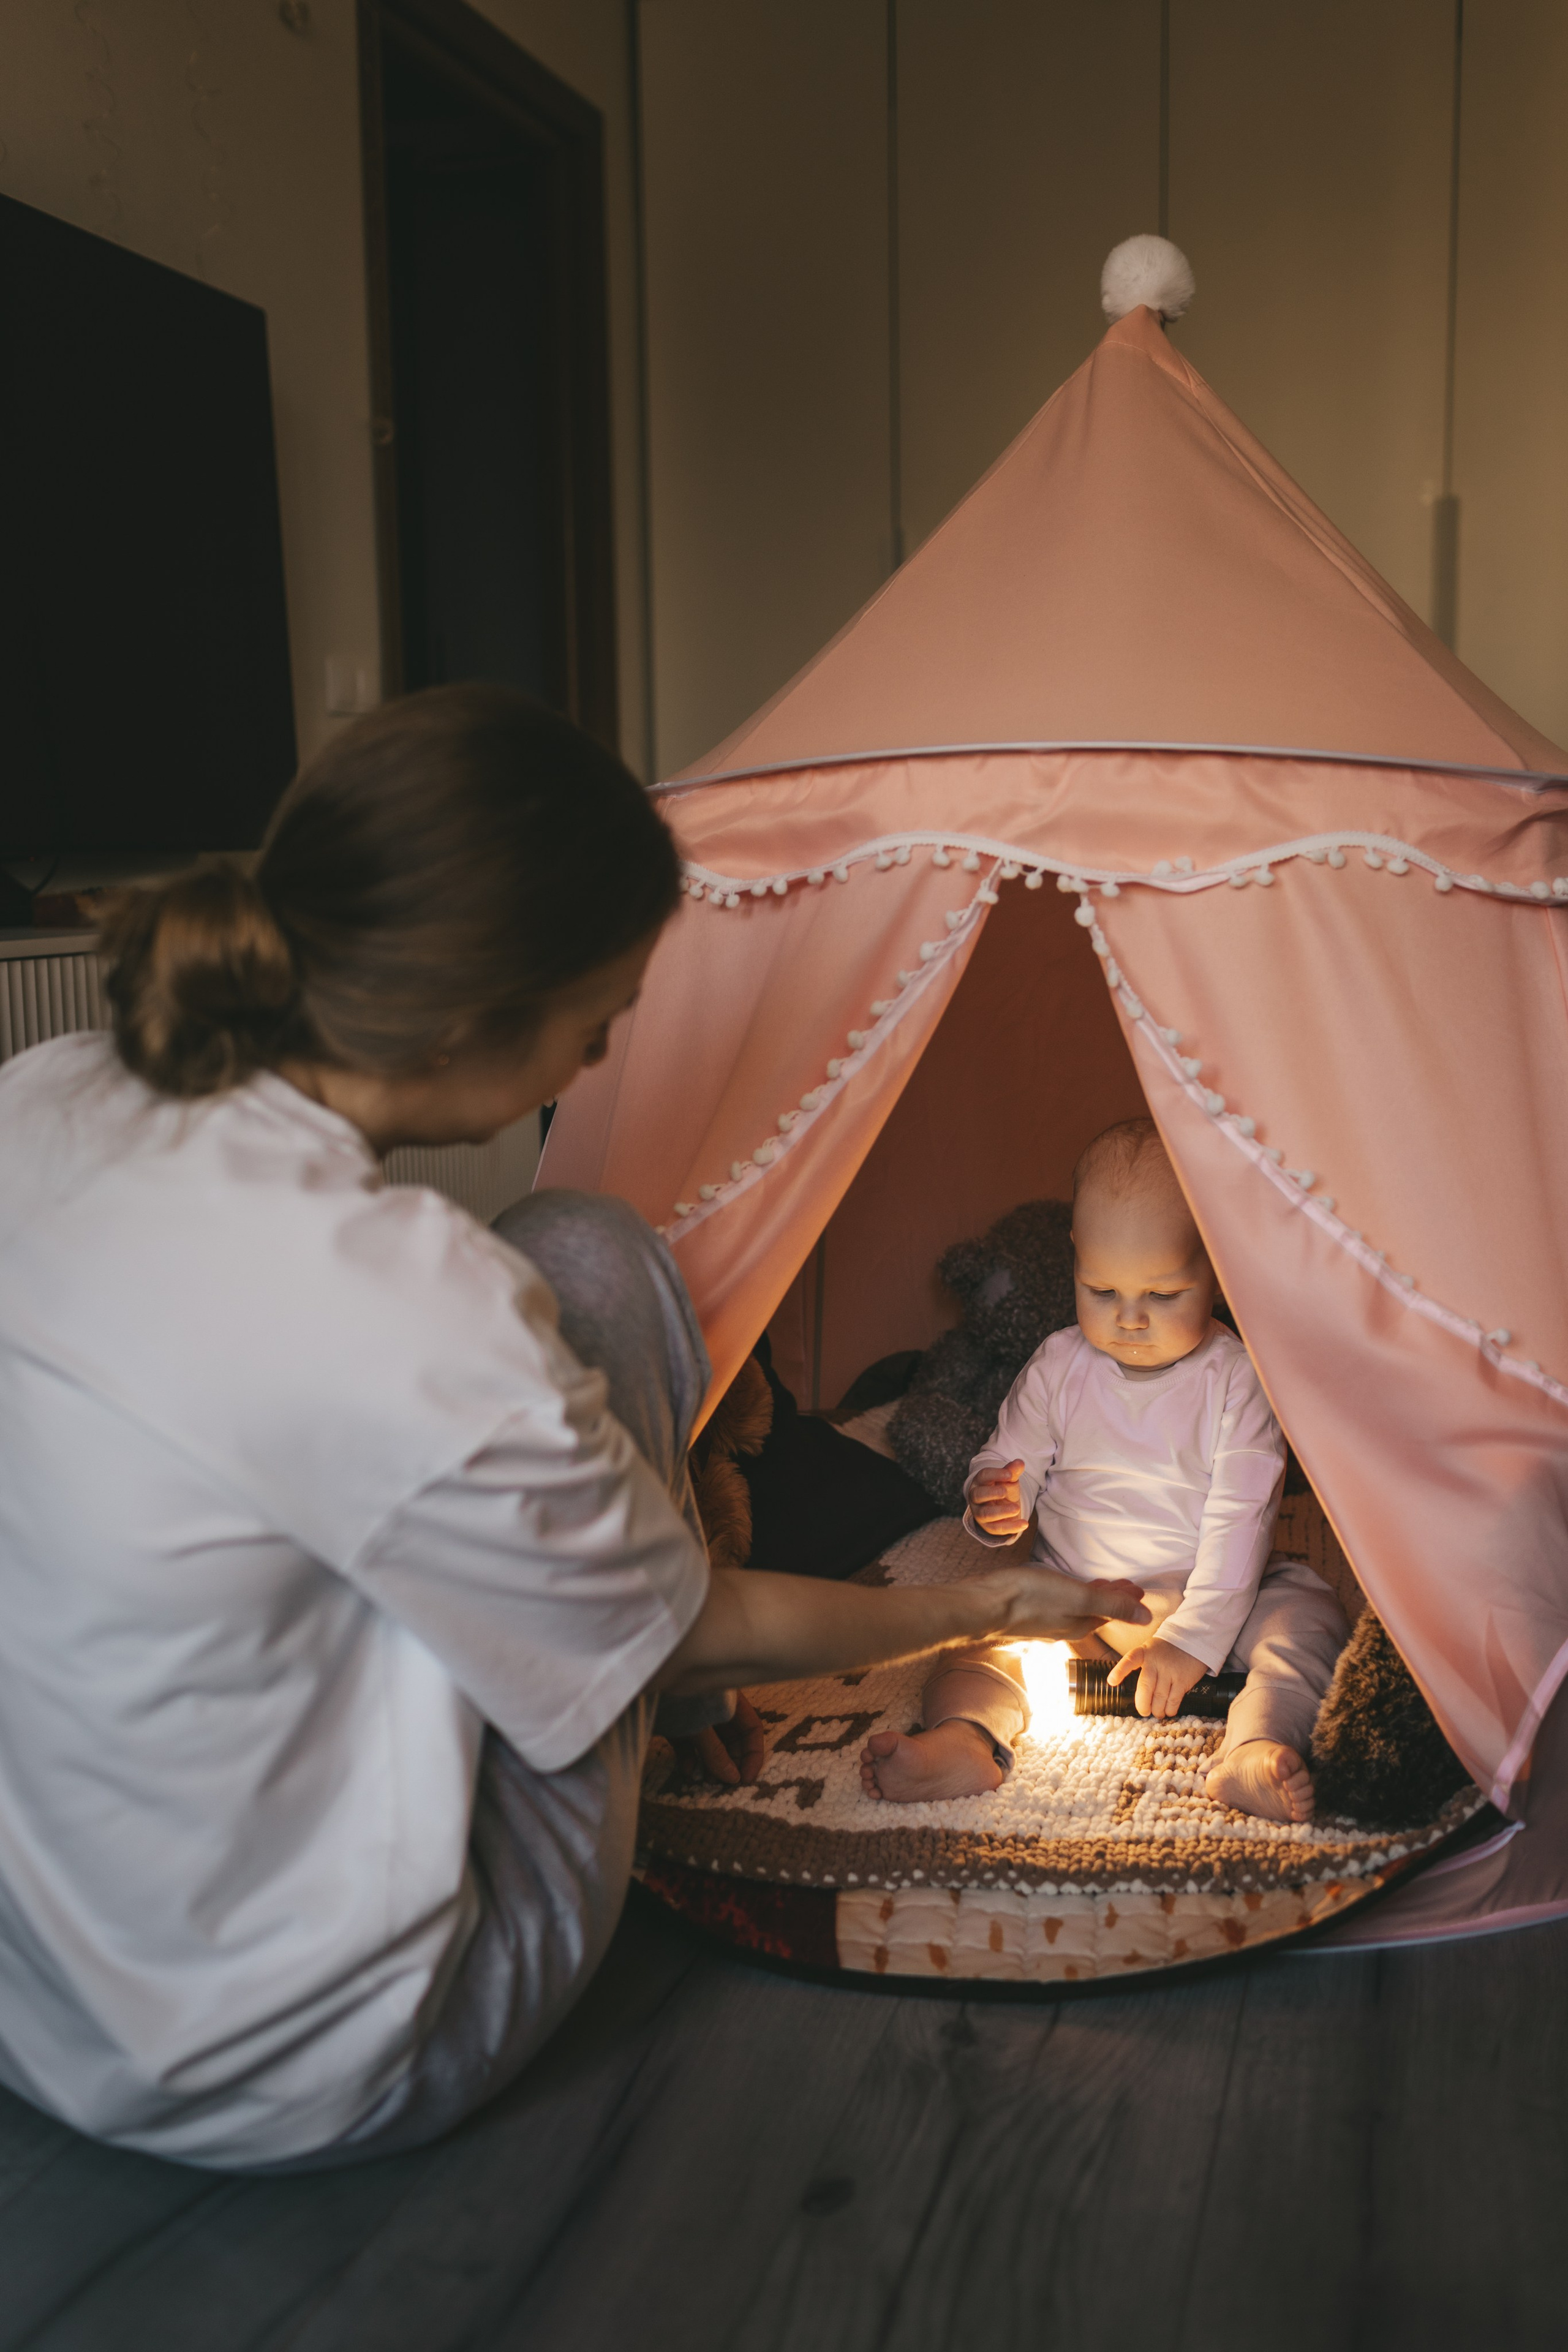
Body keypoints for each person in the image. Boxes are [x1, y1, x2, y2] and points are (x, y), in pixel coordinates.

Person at [0, 685, 1147, 2172]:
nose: (592, 1065)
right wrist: (989, 1598)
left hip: (50, 2006)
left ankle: (593, 1646)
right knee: (593, 1257)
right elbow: (703, 1627)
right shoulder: (414, 1307)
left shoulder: (42, 1096)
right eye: (596, 1020)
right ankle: (666, 1739)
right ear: (481, 1015)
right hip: (303, 2061)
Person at [860, 1117, 1348, 1823]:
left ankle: (1256, 1743)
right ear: (1076, 1262)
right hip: (1078, 1601)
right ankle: (964, 1740)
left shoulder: (1236, 1379)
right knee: (978, 1634)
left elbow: (1240, 1521)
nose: (1129, 1320)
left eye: (1161, 1295)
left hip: (1213, 1600)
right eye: (1101, 1290)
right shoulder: (1059, 1364)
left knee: (1306, 1617)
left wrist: (1190, 1640)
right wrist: (994, 1497)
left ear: (1215, 1268)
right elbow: (1008, 1460)